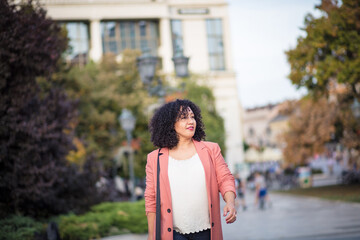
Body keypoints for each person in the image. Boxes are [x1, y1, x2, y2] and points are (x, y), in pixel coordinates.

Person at [145, 99, 237, 240]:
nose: (190, 121)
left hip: (206, 231)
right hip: (173, 233)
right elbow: (151, 200)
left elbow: (225, 179)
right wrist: (151, 236)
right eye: (183, 118)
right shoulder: (154, 158)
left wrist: (230, 202)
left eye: (192, 117)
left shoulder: (211, 150)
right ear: (170, 124)